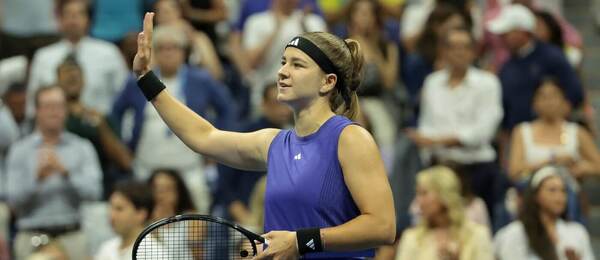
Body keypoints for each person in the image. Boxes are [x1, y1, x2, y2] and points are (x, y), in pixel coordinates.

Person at [133, 12, 395, 259]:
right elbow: (204, 137)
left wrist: (299, 242)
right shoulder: (274, 143)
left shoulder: (350, 138)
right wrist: (146, 78)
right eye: (283, 63)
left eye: (297, 65)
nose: (282, 71)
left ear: (327, 82)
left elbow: (383, 226)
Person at [407, 28, 503, 221]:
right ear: (443, 51)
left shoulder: (488, 83)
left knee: (477, 229)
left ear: (474, 51)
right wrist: (435, 143)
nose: (459, 52)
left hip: (476, 168)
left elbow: (483, 132)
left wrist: (437, 140)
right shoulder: (432, 82)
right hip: (438, 166)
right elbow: (426, 125)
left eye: (465, 47)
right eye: (453, 47)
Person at [6, 86, 102, 260]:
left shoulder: (82, 147)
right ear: (36, 110)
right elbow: (13, 201)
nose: (55, 112)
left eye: (59, 106)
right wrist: (36, 179)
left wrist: (67, 173)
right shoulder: (19, 150)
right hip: (31, 236)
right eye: (49, 106)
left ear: (66, 110)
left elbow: (94, 193)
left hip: (72, 234)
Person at [26, 0, 128, 117]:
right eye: (68, 14)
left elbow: (124, 96)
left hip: (99, 128)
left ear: (88, 20)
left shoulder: (109, 53)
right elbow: (31, 104)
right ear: (59, 20)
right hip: (55, 127)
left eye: (79, 14)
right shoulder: (43, 57)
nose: (73, 20)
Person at [494, 166, 595, 260]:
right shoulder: (515, 233)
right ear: (536, 195)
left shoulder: (577, 231)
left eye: (563, 191)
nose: (559, 197)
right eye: (552, 190)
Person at [395, 166, 494, 260]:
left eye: (424, 193)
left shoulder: (478, 235)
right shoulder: (411, 239)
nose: (418, 201)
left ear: (444, 195)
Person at [95, 181, 154, 260]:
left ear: (141, 214)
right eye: (111, 208)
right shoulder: (106, 248)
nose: (112, 215)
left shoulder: (155, 252)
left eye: (119, 209)